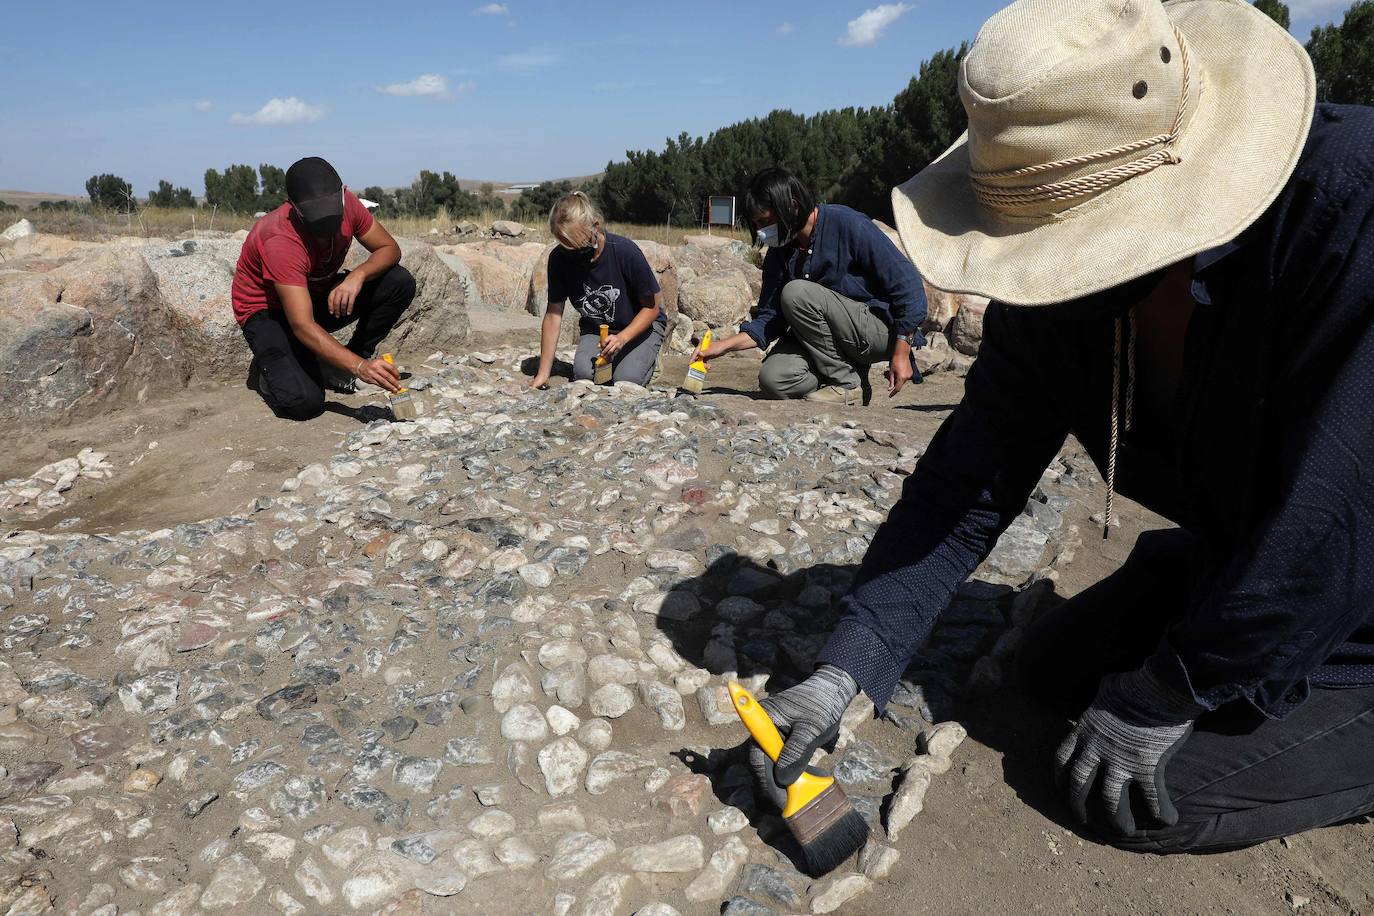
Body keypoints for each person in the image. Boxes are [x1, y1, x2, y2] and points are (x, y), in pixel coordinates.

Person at [752, 0, 1374, 854]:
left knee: (1152, 798)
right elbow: (965, 484)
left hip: (1357, 576)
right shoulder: (1063, 306)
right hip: (1255, 544)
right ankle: (1216, 594)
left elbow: (1339, 519)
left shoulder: (1351, 218)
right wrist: (845, 666)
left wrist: (1170, 691)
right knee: (1051, 673)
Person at [691, 167, 928, 406]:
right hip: (832, 340)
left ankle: (847, 384)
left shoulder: (847, 224)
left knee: (796, 293)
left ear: (792, 206)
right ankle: (847, 372)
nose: (762, 232)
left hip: (877, 331)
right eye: (756, 225)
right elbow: (769, 320)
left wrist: (901, 351)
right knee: (774, 379)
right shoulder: (780, 251)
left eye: (766, 221)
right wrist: (722, 347)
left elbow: (909, 288)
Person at [233, 156, 415, 420]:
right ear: (293, 207)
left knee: (398, 282)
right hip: (271, 314)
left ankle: (344, 361)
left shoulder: (348, 202)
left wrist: (358, 276)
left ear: (342, 194)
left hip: (313, 296)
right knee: (304, 404)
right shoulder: (280, 239)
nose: (327, 229)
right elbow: (302, 325)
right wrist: (361, 369)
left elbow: (389, 249)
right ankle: (270, 368)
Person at [529, 192, 664, 389]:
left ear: (595, 226)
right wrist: (542, 374)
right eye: (567, 248)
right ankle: (622, 358)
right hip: (597, 328)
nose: (574, 255)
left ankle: (650, 359)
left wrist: (622, 338)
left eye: (579, 246)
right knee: (584, 375)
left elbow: (652, 308)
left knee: (626, 380)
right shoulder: (559, 259)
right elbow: (553, 315)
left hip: (640, 325)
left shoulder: (625, 251)